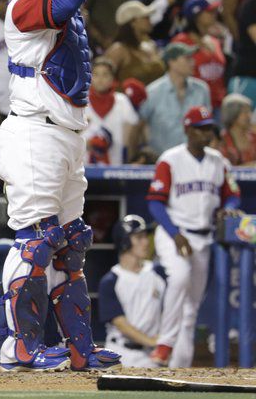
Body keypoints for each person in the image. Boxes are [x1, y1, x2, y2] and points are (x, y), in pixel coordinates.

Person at [0, 0, 120, 372]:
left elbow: (72, 1)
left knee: (70, 244)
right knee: (36, 240)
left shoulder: (65, 7)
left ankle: (80, 349)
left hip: (67, 137)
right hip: (33, 136)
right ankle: (17, 347)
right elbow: (65, 0)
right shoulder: (24, 2)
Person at [147, 105, 241, 367]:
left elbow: (232, 194)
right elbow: (155, 202)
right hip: (174, 232)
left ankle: (180, 370)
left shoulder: (218, 161)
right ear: (188, 130)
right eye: (200, 129)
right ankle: (164, 345)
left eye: (209, 128)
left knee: (191, 309)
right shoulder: (170, 159)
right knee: (179, 277)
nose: (206, 133)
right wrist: (175, 234)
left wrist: (229, 209)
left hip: (203, 237)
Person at [98, 215, 166, 368]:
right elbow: (120, 323)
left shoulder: (158, 273)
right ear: (124, 242)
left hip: (152, 356)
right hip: (120, 354)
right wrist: (153, 342)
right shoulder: (111, 280)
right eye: (139, 238)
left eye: (145, 237)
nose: (146, 242)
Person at [138, 42, 211, 158]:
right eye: (187, 59)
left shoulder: (202, 89)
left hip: (194, 159)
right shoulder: (152, 92)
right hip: (161, 160)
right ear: (171, 62)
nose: (193, 62)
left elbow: (208, 126)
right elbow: (139, 125)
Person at [172, 0, 227, 111]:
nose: (214, 14)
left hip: (218, 104)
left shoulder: (215, 41)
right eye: (209, 12)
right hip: (193, 105)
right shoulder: (181, 42)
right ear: (196, 16)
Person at [84, 58, 139, 165]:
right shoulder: (80, 101)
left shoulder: (122, 100)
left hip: (115, 165)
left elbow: (131, 135)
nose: (100, 79)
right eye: (96, 74)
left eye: (105, 75)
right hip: (84, 166)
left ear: (113, 78)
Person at [219, 93, 256, 166]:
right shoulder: (222, 140)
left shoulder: (254, 137)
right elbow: (222, 168)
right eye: (245, 112)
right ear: (233, 115)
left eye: (249, 112)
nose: (249, 116)